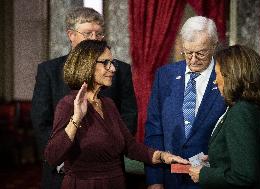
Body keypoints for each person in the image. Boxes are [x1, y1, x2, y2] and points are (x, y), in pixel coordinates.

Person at [44, 40, 189, 189]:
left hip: (116, 182)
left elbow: (130, 146)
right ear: (87, 65)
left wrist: (163, 156)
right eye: (106, 63)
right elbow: (52, 156)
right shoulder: (68, 104)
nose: (113, 68)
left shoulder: (109, 104)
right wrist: (76, 119)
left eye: (112, 63)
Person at [31, 7, 137, 189]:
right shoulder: (49, 70)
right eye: (88, 33)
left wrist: (109, 150)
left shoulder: (119, 71)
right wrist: (61, 157)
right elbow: (41, 121)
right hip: (62, 170)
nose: (95, 39)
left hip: (107, 171)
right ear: (71, 35)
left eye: (99, 34)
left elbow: (129, 115)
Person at [144, 16, 227, 189]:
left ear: (214, 45)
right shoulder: (165, 75)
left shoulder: (226, 77)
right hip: (170, 179)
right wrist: (155, 180)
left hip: (210, 180)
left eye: (201, 53)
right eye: (188, 53)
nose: (194, 60)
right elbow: (154, 130)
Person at [188, 45, 260, 189]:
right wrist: (217, 157)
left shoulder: (241, 112)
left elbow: (244, 176)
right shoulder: (255, 107)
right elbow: (253, 154)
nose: (215, 81)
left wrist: (203, 174)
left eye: (217, 74)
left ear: (232, 75)